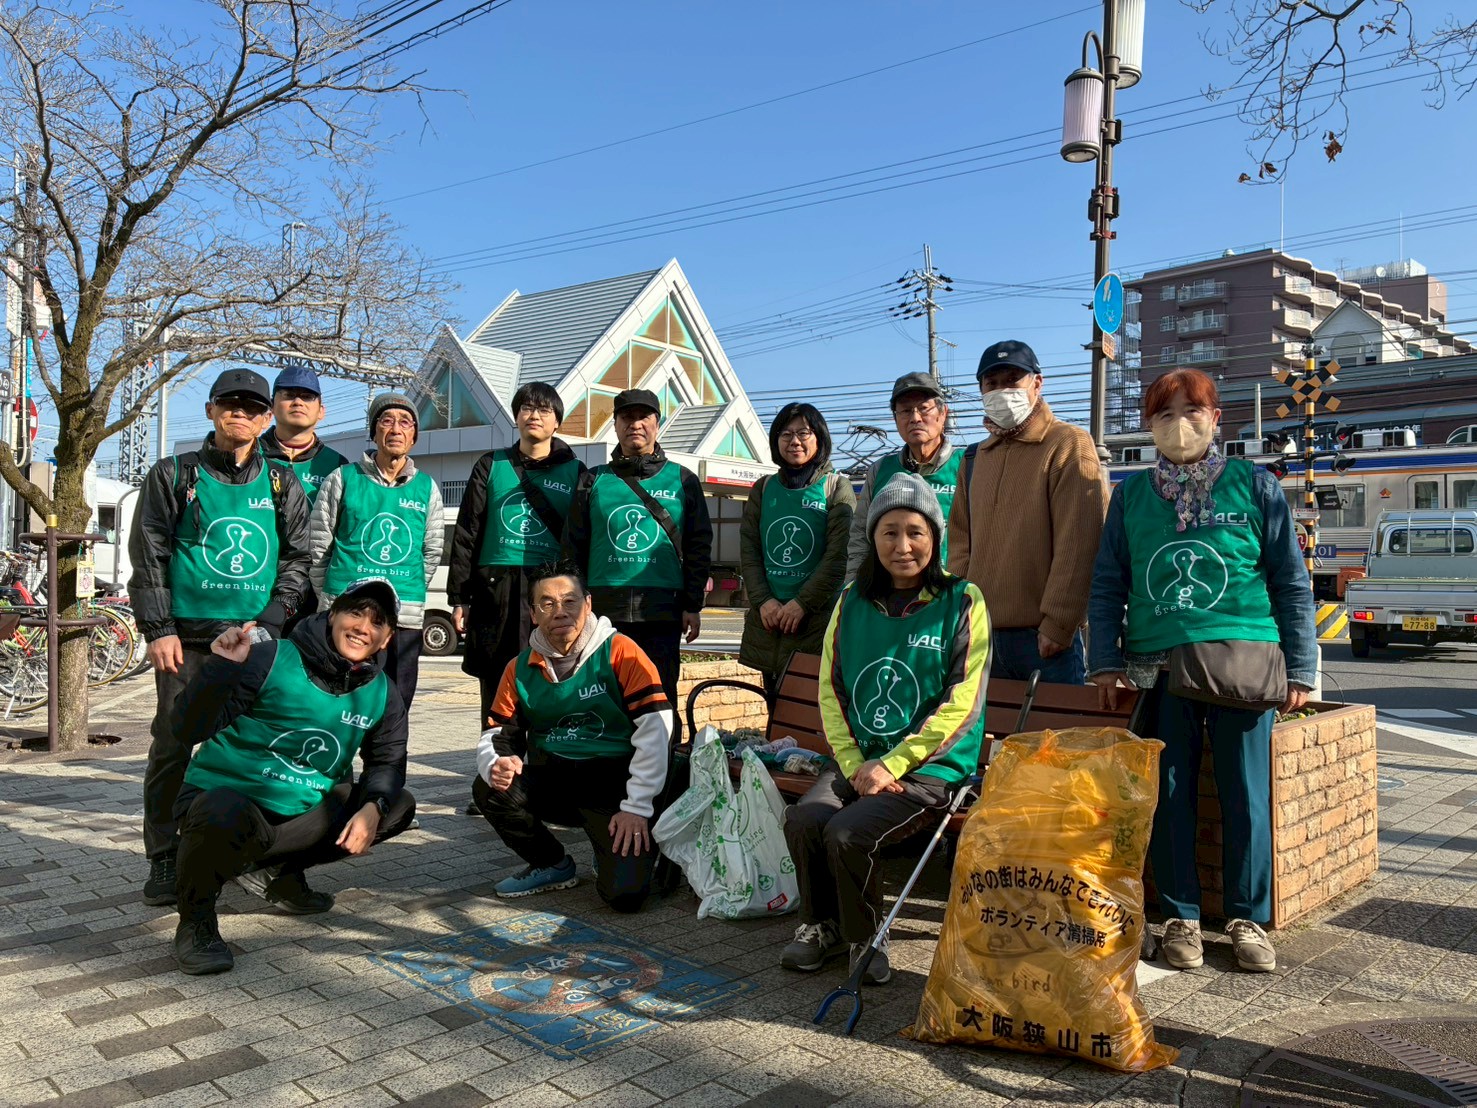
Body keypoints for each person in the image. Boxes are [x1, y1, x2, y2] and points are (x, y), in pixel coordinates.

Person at [1087, 368, 1317, 975]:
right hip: (1156, 668)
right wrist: (1106, 664)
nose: (1178, 425)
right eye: (1164, 415)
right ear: (1148, 428)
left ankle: (1247, 918)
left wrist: (1302, 667)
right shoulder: (1132, 495)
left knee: (1246, 794)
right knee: (1168, 795)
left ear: (1217, 419)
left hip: (1243, 662)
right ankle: (1180, 918)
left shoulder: (1256, 486)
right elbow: (1108, 582)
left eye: (1192, 412)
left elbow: (1292, 584)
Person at [784, 472, 990, 985]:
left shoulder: (963, 600)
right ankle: (821, 926)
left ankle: (867, 935)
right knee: (806, 818)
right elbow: (830, 690)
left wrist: (892, 764)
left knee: (849, 832)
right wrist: (857, 766)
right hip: (860, 760)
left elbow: (961, 702)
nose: (903, 546)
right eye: (889, 531)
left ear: (935, 538)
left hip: (931, 769)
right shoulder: (851, 600)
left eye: (915, 532)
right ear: (873, 538)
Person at [129, 367, 312, 908]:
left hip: (254, 642)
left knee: (255, 749)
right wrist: (159, 629)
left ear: (266, 419)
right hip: (186, 642)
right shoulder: (174, 475)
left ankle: (261, 859)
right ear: (211, 410)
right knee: (172, 746)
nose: (242, 413)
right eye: (230, 403)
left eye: (253, 407)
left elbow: (299, 558)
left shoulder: (281, 482)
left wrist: (274, 620)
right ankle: (164, 857)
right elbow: (151, 554)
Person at [167, 578, 416, 975]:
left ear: (387, 638)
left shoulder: (383, 693)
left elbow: (387, 761)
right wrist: (220, 669)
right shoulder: (270, 657)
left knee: (397, 804)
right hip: (229, 800)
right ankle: (196, 922)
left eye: (378, 621)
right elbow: (186, 729)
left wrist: (374, 806)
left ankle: (278, 875)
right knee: (220, 808)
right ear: (332, 614)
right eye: (355, 612)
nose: (363, 626)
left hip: (300, 815)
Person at [471, 563, 671, 912]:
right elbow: (497, 734)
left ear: (588, 604)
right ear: (533, 614)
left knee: (624, 897)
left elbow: (656, 731)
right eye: (546, 603)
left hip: (616, 787)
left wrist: (637, 807)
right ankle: (551, 864)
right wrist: (496, 761)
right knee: (490, 784)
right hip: (558, 780)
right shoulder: (518, 668)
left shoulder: (621, 651)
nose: (560, 611)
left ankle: (610, 844)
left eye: (570, 600)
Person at [947, 340, 1106, 684]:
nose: (1002, 390)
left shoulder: (1068, 442)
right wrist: (958, 614)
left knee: (1055, 737)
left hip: (1044, 641)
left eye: (1012, 379)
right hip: (979, 636)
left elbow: (1079, 542)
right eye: (992, 383)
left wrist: (1059, 623)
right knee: (990, 739)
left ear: (1037, 383)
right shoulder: (973, 458)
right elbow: (960, 542)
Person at [563, 388, 712, 729]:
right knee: (602, 696)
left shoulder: (683, 479)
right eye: (627, 417)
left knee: (659, 698)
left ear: (657, 424)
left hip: (662, 609)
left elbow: (699, 544)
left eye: (644, 416)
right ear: (615, 425)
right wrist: (574, 602)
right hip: (602, 610)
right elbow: (573, 545)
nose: (636, 424)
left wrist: (693, 604)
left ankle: (662, 777)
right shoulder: (593, 479)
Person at [447, 382, 587, 724]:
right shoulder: (490, 465)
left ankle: (541, 767)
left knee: (552, 677)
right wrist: (459, 598)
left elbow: (583, 539)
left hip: (550, 592)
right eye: (526, 408)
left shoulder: (576, 472)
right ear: (516, 417)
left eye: (544, 410)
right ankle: (495, 765)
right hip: (495, 591)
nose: (533, 415)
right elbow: (467, 533)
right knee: (496, 686)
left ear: (557, 422)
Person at [310, 393, 444, 712]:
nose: (395, 429)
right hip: (344, 609)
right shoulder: (343, 479)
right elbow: (318, 545)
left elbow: (432, 550)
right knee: (334, 700)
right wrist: (331, 597)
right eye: (386, 421)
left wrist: (405, 590)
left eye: (405, 422)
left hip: (403, 615)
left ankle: (388, 764)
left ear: (413, 436)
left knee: (395, 703)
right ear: (373, 432)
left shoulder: (427, 488)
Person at [738, 403, 854, 694]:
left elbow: (838, 557)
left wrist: (802, 603)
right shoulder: (762, 489)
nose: (795, 441)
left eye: (804, 432)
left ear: (820, 438)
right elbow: (749, 550)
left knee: (811, 709)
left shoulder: (836, 487)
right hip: (769, 620)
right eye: (786, 434)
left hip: (815, 620)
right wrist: (763, 600)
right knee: (775, 705)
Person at [259, 365, 348, 636]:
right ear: (272, 406)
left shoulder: (338, 467)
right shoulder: (248, 457)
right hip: (257, 590)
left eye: (307, 396)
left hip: (314, 598)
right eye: (288, 395)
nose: (298, 401)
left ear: (321, 411)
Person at [845, 372, 961, 581]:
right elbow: (860, 539)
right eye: (906, 411)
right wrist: (853, 591)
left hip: (951, 592)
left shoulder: (967, 465)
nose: (915, 418)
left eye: (924, 409)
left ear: (943, 413)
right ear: (895, 418)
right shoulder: (880, 470)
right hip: (889, 597)